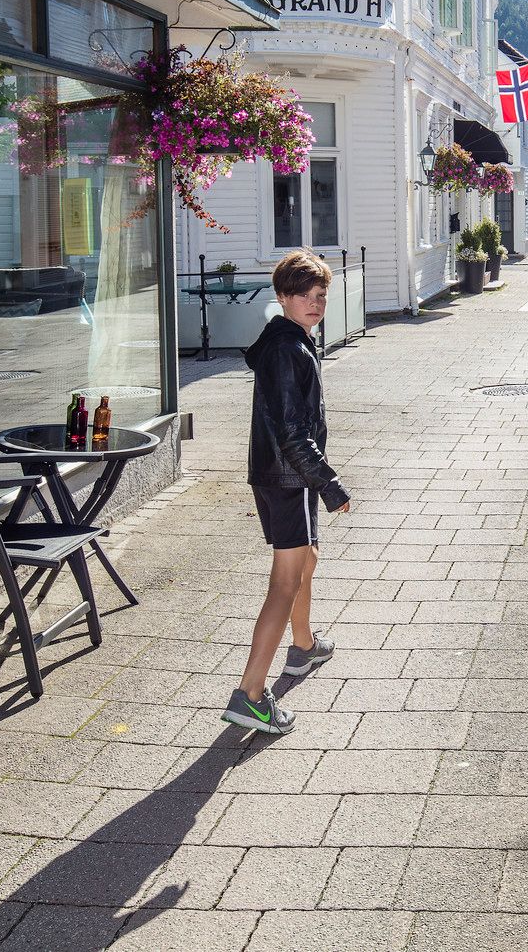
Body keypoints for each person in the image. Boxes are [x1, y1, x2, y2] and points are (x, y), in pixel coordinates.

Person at [223, 250, 353, 735]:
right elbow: (293, 432)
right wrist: (328, 483)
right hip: (290, 477)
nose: (315, 303)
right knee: (284, 582)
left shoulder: (292, 341)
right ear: (282, 297)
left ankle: (303, 646)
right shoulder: (287, 350)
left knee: (307, 557)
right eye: (304, 296)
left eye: (320, 295)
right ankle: (251, 695)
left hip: (282, 475)